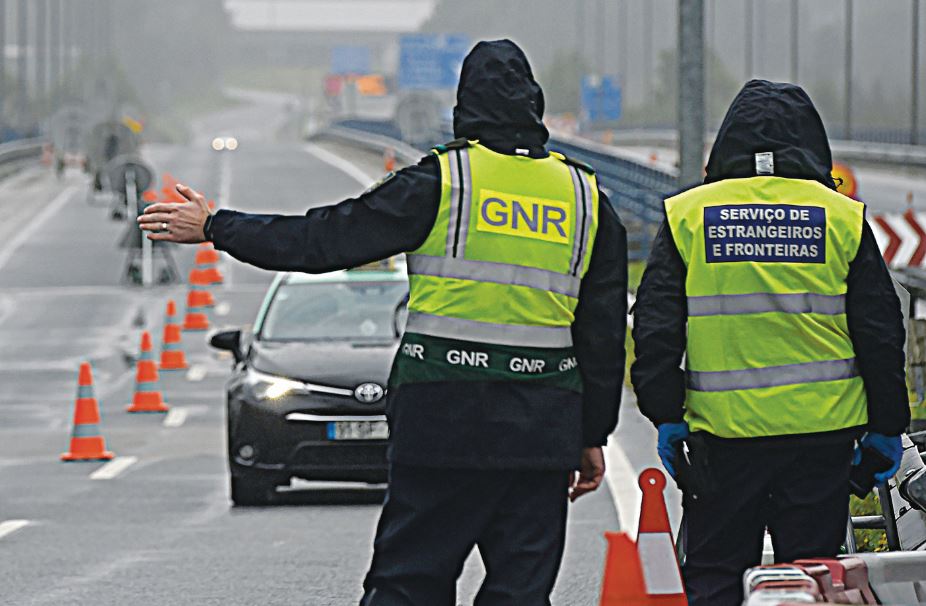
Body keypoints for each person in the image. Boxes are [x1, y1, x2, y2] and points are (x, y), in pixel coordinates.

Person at [140, 40, 627, 605]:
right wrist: (592, 434)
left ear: (463, 106)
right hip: (542, 428)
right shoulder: (588, 199)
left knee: (409, 584)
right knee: (520, 592)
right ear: (535, 106)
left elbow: (322, 241)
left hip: (441, 423)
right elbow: (604, 335)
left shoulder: (442, 182)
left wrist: (217, 226)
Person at [631, 79, 910, 606]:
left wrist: (666, 413)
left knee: (715, 573)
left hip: (722, 441)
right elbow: (879, 333)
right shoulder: (842, 218)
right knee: (812, 576)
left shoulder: (688, 215)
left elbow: (654, 327)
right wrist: (887, 425)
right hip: (822, 443)